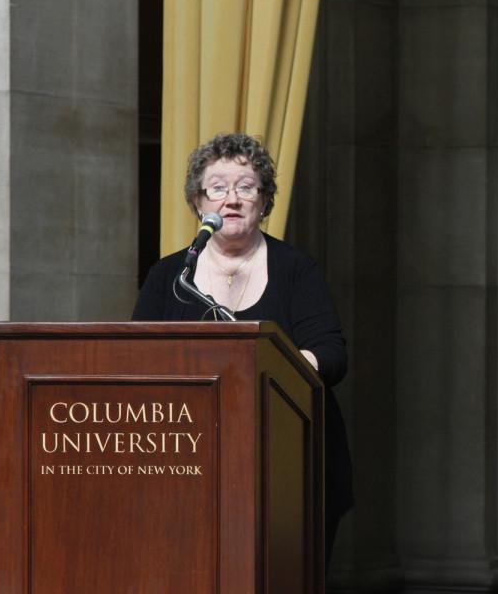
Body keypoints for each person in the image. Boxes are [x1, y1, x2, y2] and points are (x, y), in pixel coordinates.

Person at [132, 132, 353, 564]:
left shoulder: (296, 270)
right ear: (198, 202)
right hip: (189, 463)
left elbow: (331, 354)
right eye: (217, 187)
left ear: (264, 201)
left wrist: (278, 369)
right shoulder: (167, 276)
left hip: (288, 464)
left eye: (246, 187)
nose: (231, 199)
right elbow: (137, 360)